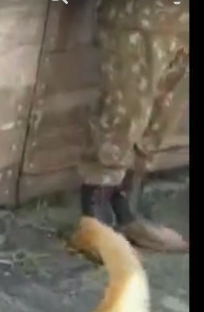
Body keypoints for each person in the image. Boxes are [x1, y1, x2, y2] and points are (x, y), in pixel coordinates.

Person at [74, 0, 189, 255]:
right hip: (138, 13)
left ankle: (127, 214)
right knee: (125, 109)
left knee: (162, 115)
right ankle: (95, 225)